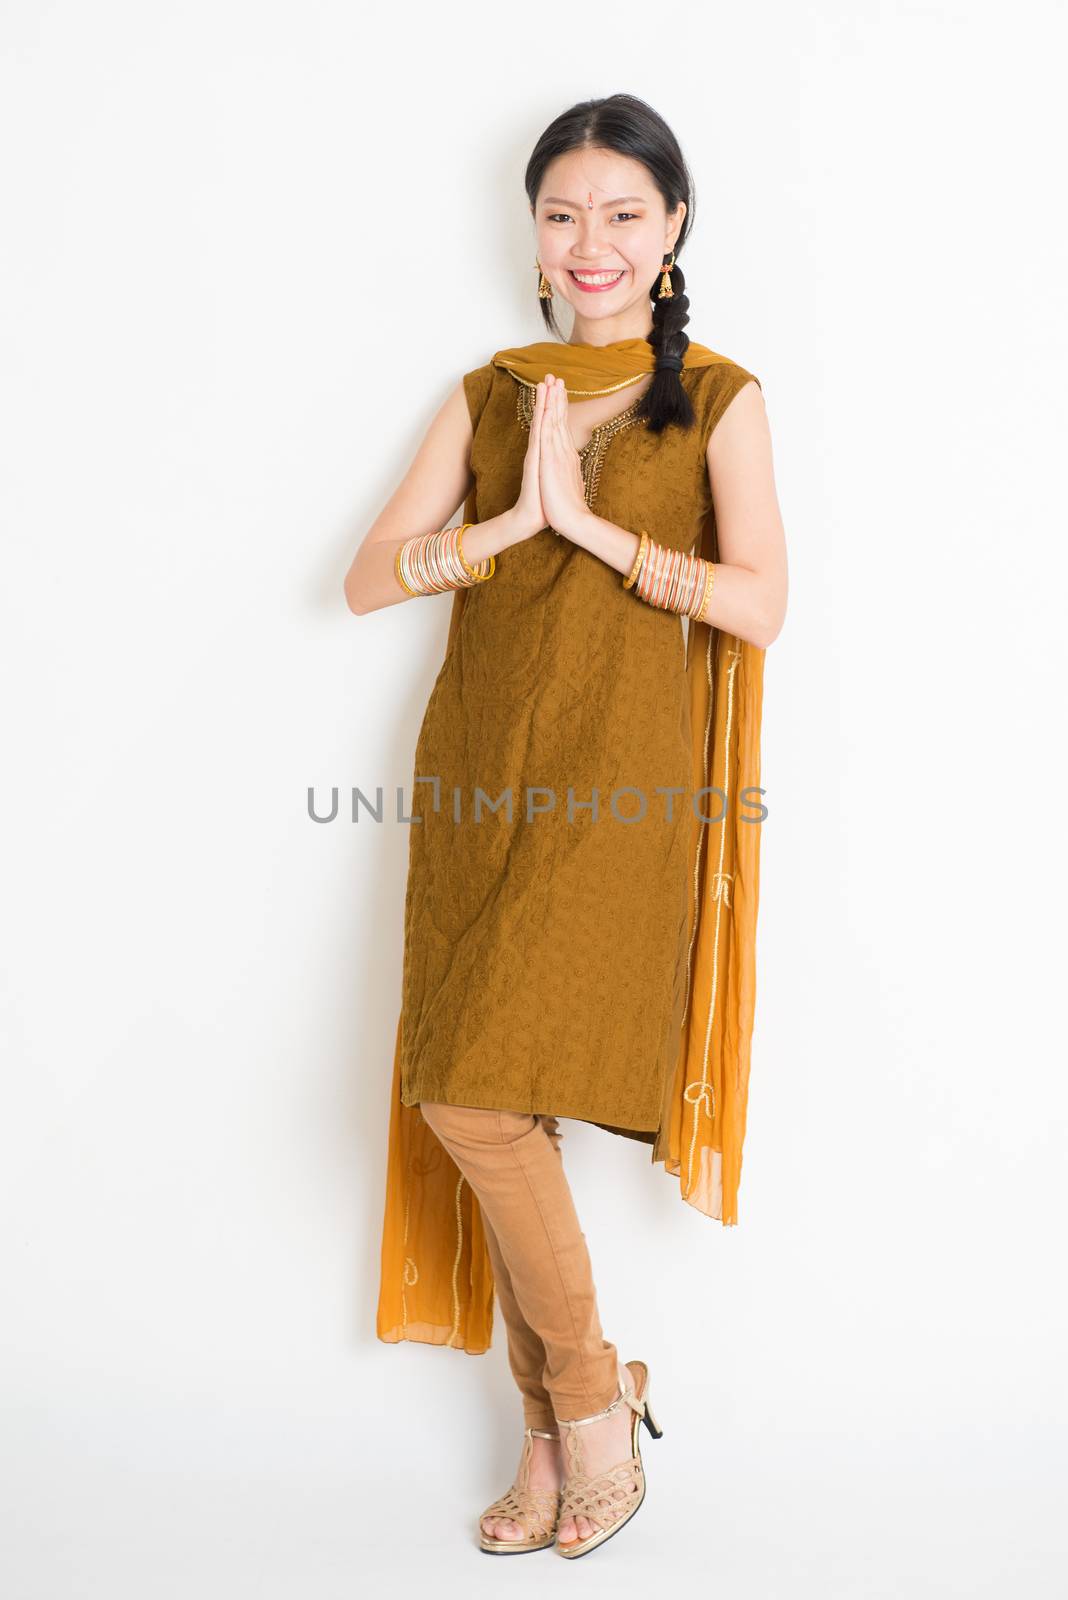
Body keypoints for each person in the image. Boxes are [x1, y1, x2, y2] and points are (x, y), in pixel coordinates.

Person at [345, 92, 787, 1559]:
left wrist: (599, 534)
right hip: (479, 774)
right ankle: (557, 1429)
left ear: (672, 231)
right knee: (484, 1098)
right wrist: (509, 530)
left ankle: (589, 1403)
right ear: (530, 230)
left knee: (471, 1102)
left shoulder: (715, 396)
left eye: (622, 213)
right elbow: (364, 580)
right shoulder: (489, 390)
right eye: (560, 212)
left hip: (621, 794)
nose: (588, 242)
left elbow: (762, 604)